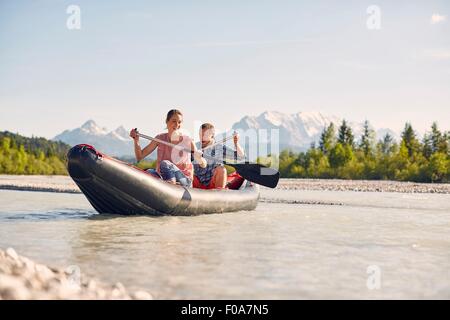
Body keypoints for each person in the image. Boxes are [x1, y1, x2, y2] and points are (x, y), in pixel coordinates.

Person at [129, 109, 206, 187]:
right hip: (163, 176)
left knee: (165, 163)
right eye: (174, 121)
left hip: (184, 179)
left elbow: (203, 165)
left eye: (179, 122)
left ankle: (171, 186)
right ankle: (168, 183)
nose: (177, 124)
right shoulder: (160, 138)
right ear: (167, 121)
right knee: (149, 172)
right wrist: (136, 140)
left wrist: (199, 158)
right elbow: (140, 156)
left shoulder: (187, 140)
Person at [193, 123, 245, 189]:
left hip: (213, 183)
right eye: (200, 134)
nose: (202, 137)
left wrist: (236, 143)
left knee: (221, 169)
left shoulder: (220, 148)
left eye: (205, 134)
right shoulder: (195, 147)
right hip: (197, 184)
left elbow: (240, 157)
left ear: (212, 135)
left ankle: (220, 193)